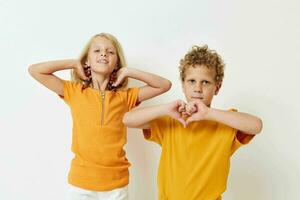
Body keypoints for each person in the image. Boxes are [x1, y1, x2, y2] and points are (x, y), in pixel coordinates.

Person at [28, 33, 171, 200]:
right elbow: (35, 70)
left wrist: (128, 71)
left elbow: (164, 85)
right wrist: (74, 63)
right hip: (80, 184)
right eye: (97, 50)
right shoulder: (74, 92)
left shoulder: (125, 97)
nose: (104, 53)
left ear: (117, 63)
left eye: (110, 52)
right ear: (87, 60)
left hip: (117, 185)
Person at [123, 45, 263, 200]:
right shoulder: (172, 120)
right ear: (183, 85)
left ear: (217, 87)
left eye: (206, 82)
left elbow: (256, 125)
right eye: (191, 81)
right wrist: (164, 108)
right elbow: (128, 119)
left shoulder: (225, 122)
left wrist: (209, 113)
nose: (198, 88)